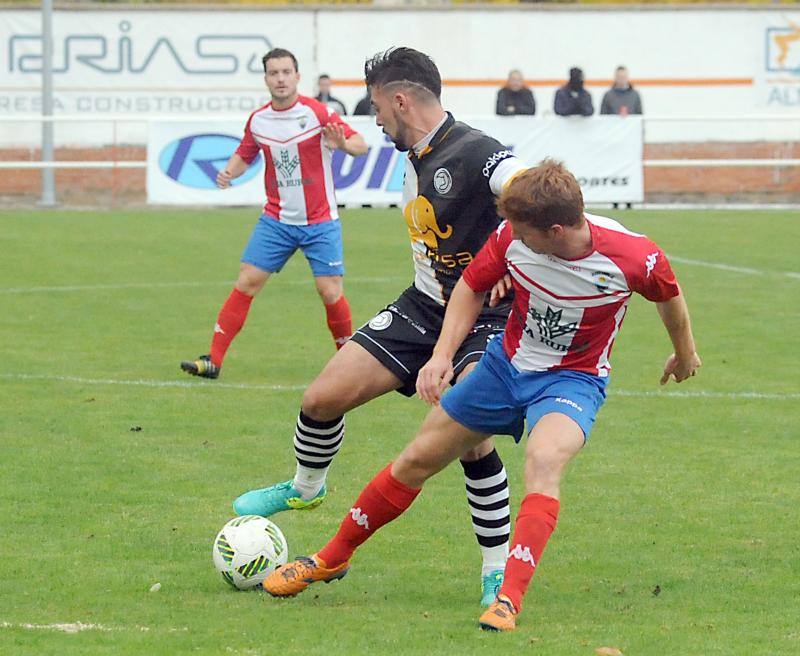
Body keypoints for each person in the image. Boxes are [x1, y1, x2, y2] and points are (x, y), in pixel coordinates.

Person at [262, 160, 702, 632]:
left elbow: (670, 298)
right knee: (415, 460)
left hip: (572, 380)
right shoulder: (513, 237)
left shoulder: (635, 256)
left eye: (523, 231)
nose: (513, 236)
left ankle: (508, 599)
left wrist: (685, 354)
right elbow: (471, 286)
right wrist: (441, 356)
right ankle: (331, 557)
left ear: (555, 231)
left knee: (544, 459)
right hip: (503, 369)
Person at [233, 47, 529, 605]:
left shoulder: (475, 150)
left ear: (400, 101)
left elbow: (533, 187)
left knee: (468, 433)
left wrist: (515, 256)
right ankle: (305, 488)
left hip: (486, 317)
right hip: (424, 305)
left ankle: (496, 568)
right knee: (321, 398)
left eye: (375, 106)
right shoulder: (415, 154)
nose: (373, 118)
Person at [180, 48, 368, 380]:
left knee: (329, 291)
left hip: (320, 221)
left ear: (297, 76)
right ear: (266, 79)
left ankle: (348, 366)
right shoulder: (259, 120)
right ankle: (213, 360)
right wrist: (229, 172)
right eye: (273, 73)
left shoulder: (317, 112)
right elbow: (245, 153)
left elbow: (360, 144)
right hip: (277, 220)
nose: (280, 79)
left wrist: (341, 143)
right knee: (247, 281)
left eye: (286, 72)